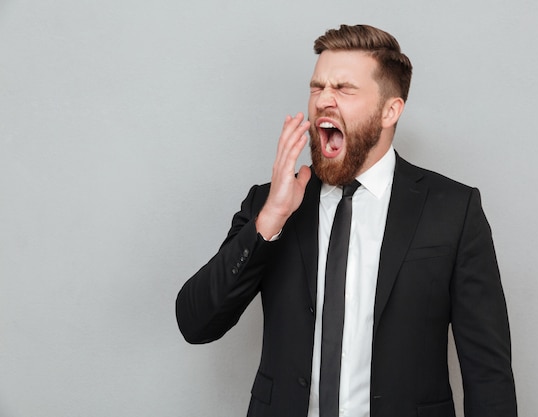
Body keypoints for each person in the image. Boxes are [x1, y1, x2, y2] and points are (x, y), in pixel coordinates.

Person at [176, 24, 517, 417]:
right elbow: (195, 322)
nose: (324, 100)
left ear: (390, 110)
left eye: (344, 89)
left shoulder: (453, 210)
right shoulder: (270, 204)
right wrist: (269, 220)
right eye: (317, 87)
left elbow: (488, 374)